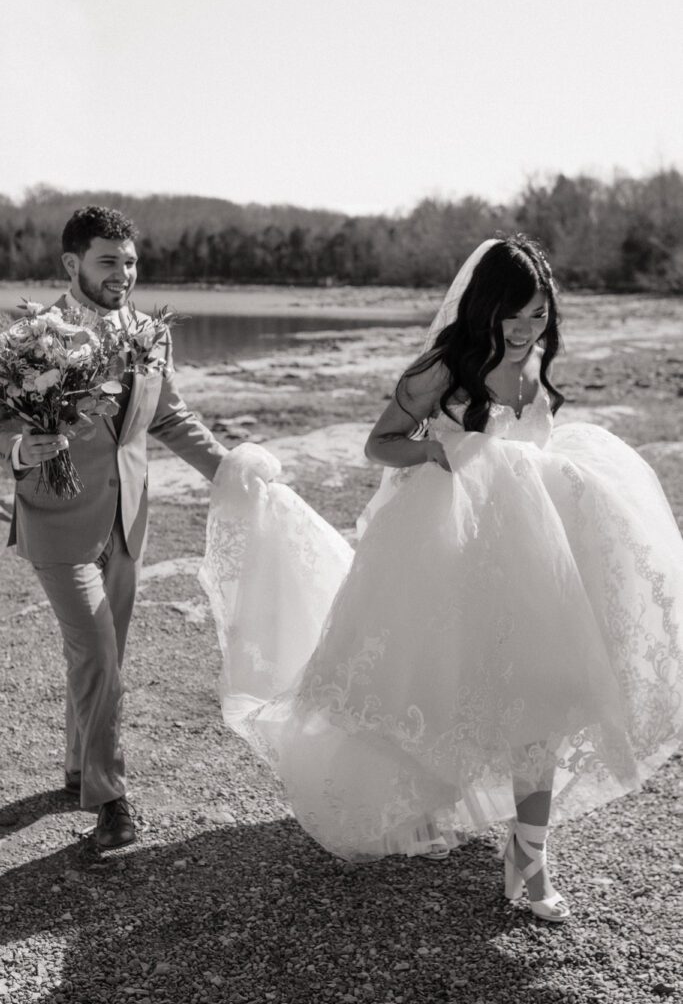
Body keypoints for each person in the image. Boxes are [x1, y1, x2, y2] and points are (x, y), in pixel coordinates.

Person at [200, 235, 683, 922]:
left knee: (544, 701)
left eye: (538, 313)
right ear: (486, 305)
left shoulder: (539, 362)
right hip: (457, 554)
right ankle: (429, 807)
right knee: (448, 691)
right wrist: (442, 450)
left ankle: (529, 857)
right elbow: (378, 443)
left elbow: (534, 448)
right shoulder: (444, 368)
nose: (525, 328)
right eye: (513, 314)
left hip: (540, 563)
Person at [0, 205, 273, 851]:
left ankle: (77, 770)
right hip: (56, 519)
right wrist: (18, 454)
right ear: (72, 264)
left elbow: (170, 417)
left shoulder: (152, 332)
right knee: (98, 653)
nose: (123, 272)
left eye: (130, 261)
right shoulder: (31, 336)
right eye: (108, 261)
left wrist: (230, 472)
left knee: (100, 657)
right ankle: (111, 800)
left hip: (128, 521)